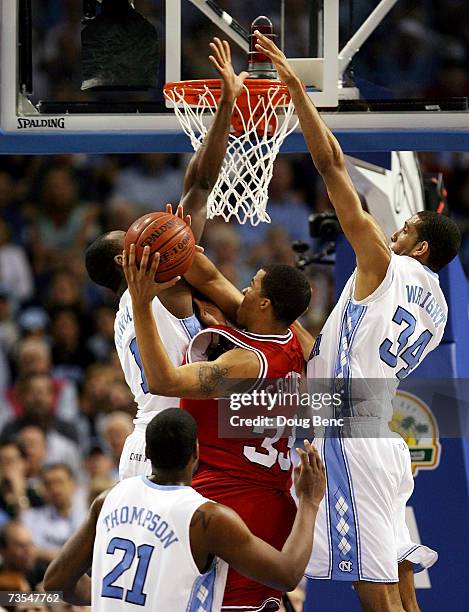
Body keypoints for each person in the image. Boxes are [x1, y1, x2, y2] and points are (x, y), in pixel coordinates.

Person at [253, 31, 462, 612]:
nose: (392, 232)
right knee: (401, 590)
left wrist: (296, 89)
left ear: (418, 249)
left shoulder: (384, 264)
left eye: (404, 229)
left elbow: (331, 165)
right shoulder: (438, 303)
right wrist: (297, 338)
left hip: (351, 428)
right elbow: (352, 349)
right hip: (382, 428)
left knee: (377, 596)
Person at [84, 37, 248, 480]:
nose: (144, 232)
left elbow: (196, 185)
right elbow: (200, 185)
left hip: (149, 441)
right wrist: (227, 105)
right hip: (172, 444)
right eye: (131, 237)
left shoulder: (136, 303)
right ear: (124, 262)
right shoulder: (159, 288)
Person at [122, 246, 311, 611]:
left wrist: (142, 303)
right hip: (270, 499)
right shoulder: (289, 341)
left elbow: (163, 381)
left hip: (233, 502)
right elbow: (209, 277)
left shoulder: (246, 364)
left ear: (265, 305)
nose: (243, 289)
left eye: (252, 286)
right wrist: (177, 241)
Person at [43, 409, 326, 611]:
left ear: (148, 454)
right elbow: (288, 574)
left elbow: (56, 583)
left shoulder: (108, 499)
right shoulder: (206, 518)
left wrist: (118, 596)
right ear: (196, 453)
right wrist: (310, 502)